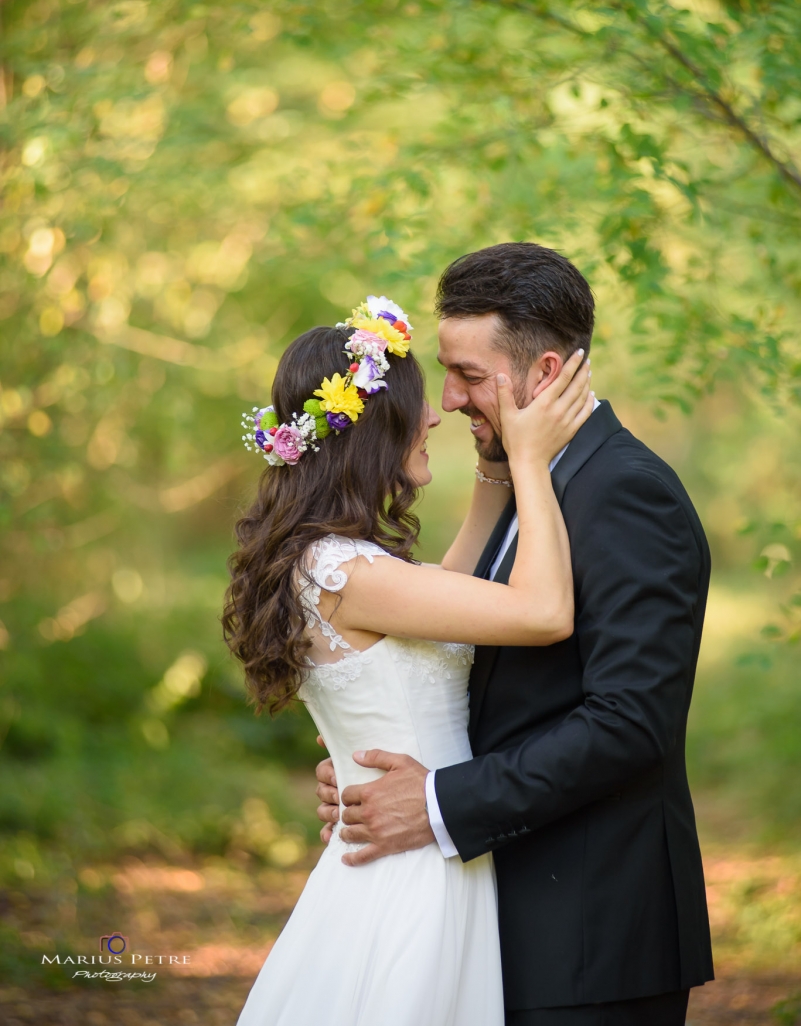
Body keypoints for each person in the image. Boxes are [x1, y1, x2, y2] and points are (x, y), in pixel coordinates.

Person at [315, 244, 715, 1026]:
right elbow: (484, 674)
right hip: (500, 918)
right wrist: (372, 753)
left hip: (591, 935)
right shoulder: (523, 483)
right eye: (446, 372)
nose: (450, 400)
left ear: (545, 373)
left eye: (469, 376)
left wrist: (432, 802)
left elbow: (630, 724)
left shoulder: (625, 494)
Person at [223, 292, 594, 1026]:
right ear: (373, 429)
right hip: (411, 871)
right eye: (418, 406)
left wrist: (492, 465)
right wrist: (529, 459)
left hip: (418, 845)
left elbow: (445, 598)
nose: (435, 417)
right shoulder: (343, 572)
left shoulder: (336, 563)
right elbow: (544, 612)